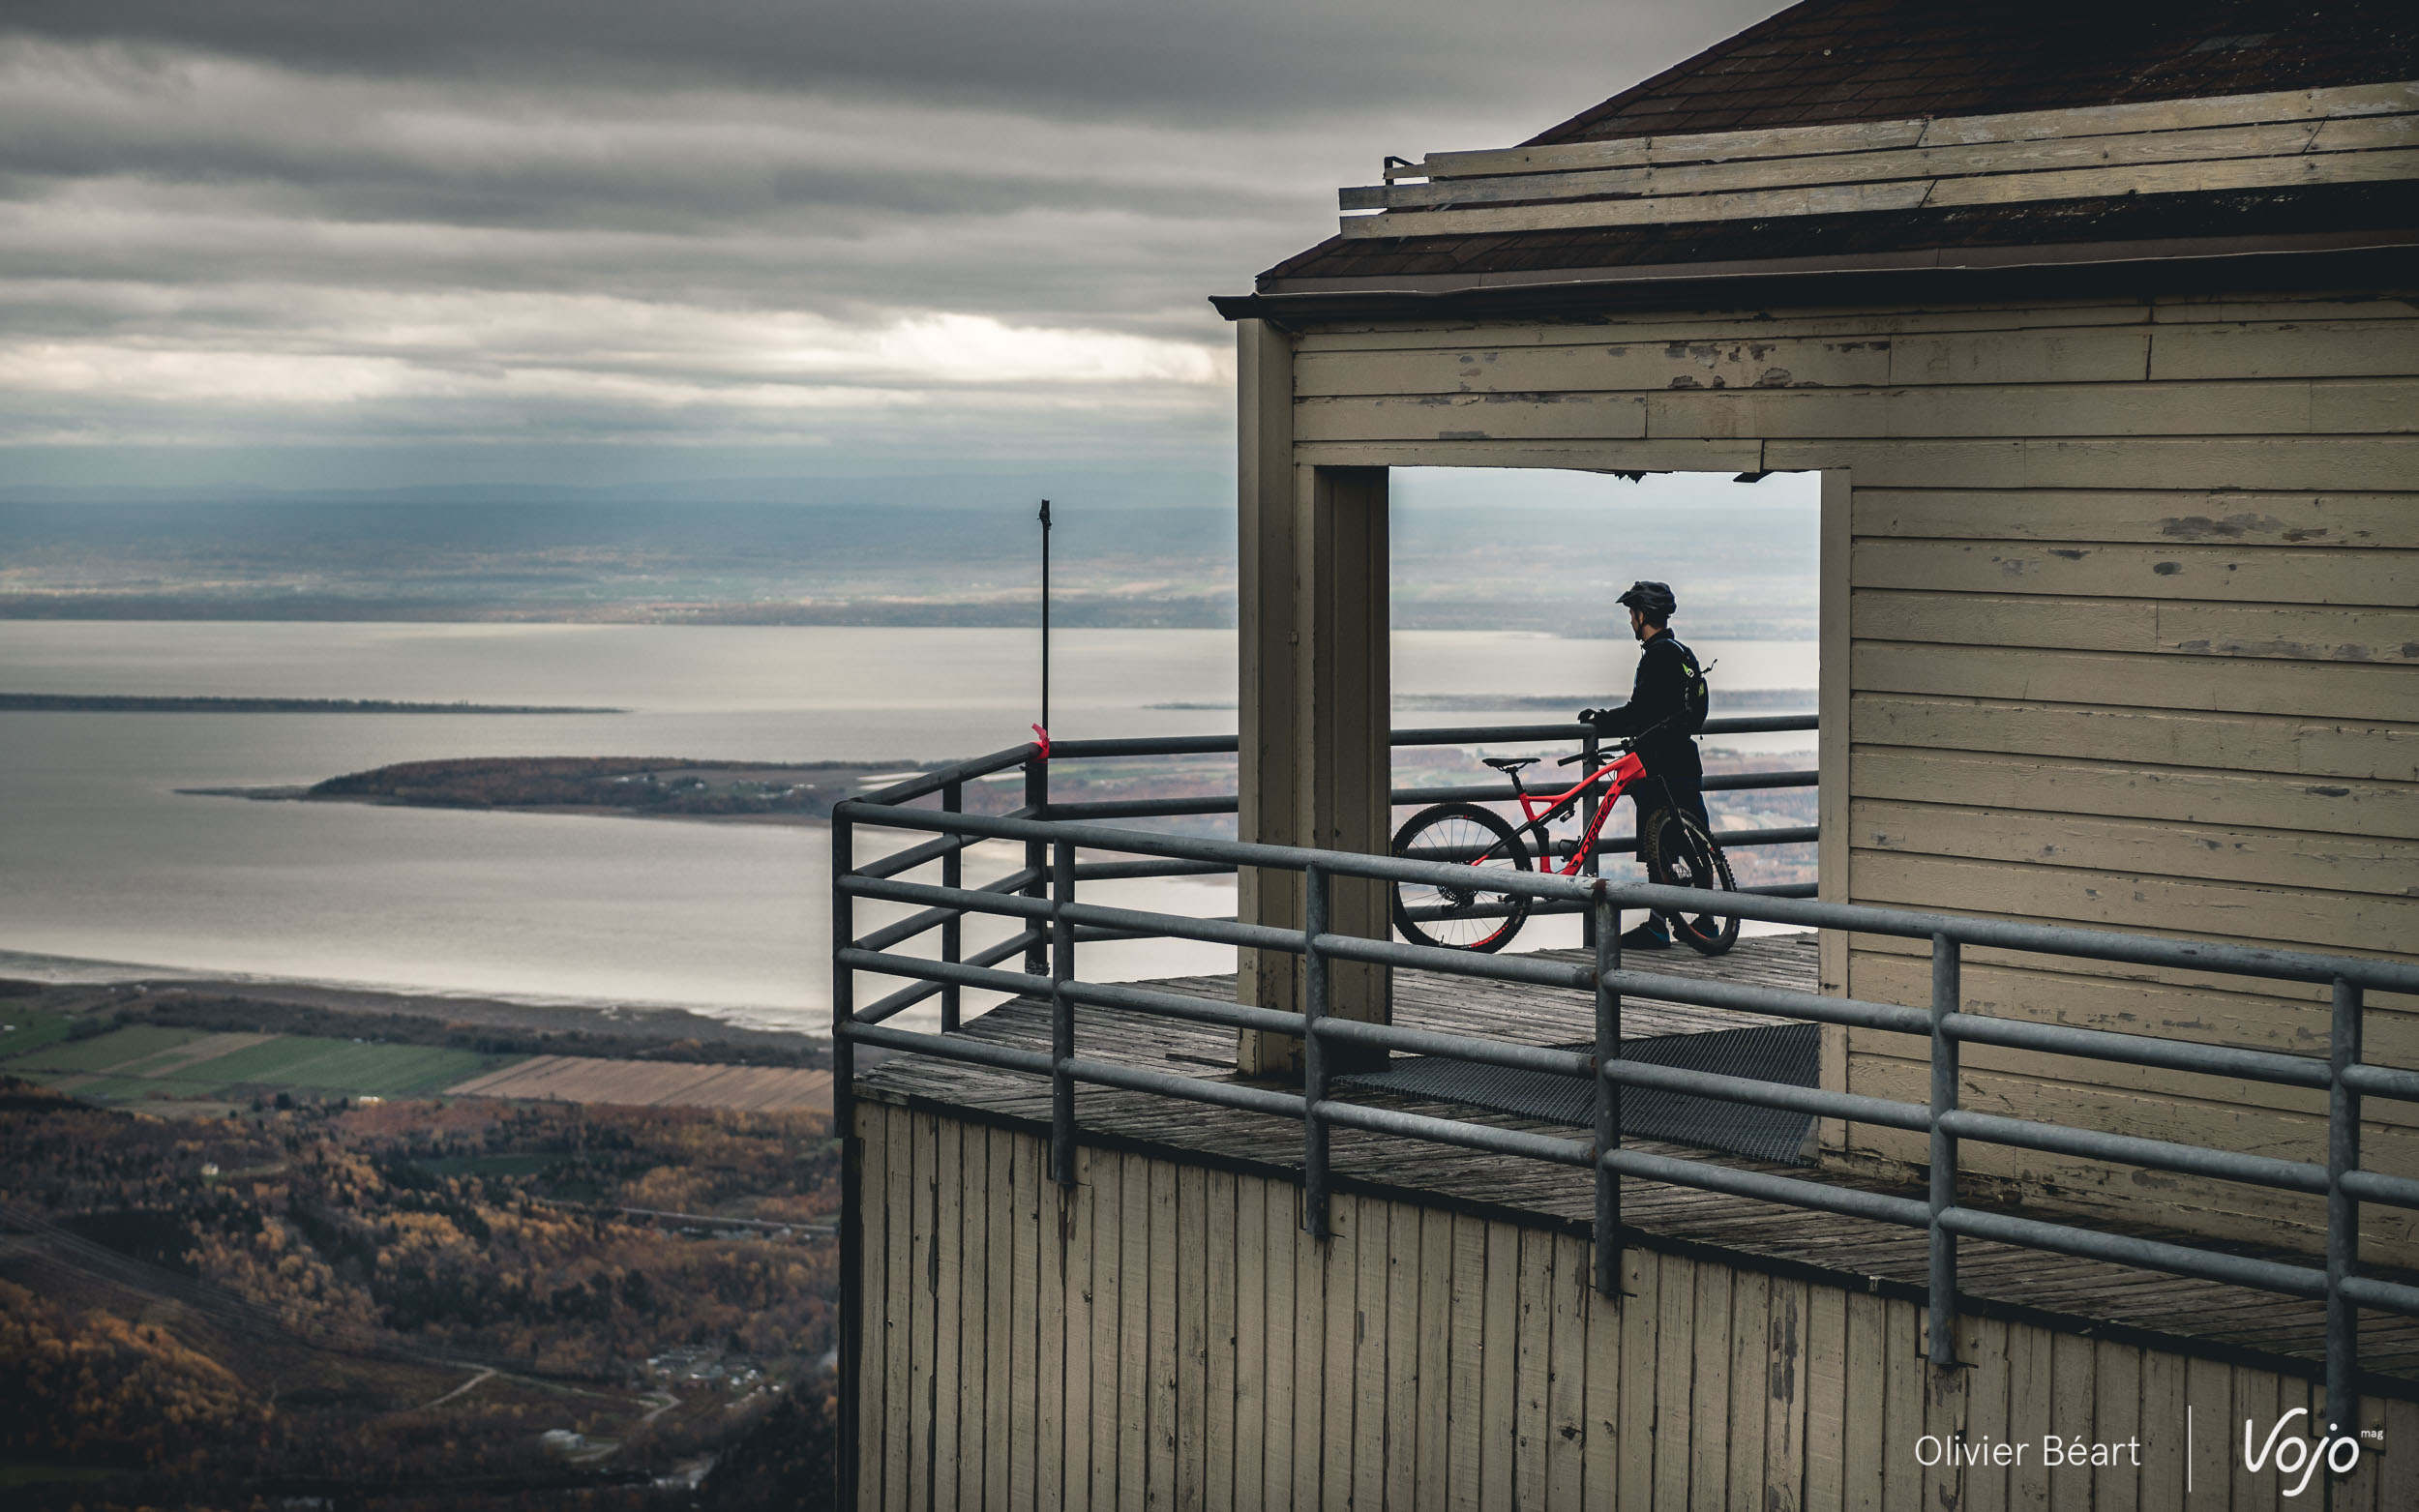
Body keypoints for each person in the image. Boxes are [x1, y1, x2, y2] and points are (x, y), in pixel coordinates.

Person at [1580, 579, 1711, 950]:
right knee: (1690, 843)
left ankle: (1661, 927)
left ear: (1641, 615)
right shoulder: (1682, 652)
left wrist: (1601, 720)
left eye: (1632, 614)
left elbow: (1641, 713)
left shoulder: (1657, 656)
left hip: (1658, 766)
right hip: (1684, 760)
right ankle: (1705, 921)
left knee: (1661, 848)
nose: (1630, 621)